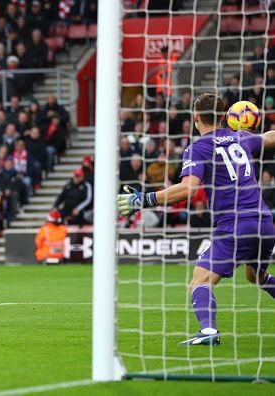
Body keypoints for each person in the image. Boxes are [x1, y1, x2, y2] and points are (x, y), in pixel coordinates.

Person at [118, 93, 275, 346]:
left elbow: (188, 189)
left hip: (234, 224)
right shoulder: (240, 137)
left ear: (195, 117)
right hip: (265, 222)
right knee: (256, 277)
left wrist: (145, 200)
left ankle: (208, 332)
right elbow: (269, 138)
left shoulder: (199, 147)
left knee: (199, 281)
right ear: (225, 117)